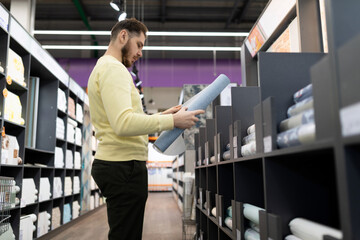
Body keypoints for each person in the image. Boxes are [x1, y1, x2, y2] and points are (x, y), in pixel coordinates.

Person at [87, 18, 204, 240]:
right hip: (123, 167)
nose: (140, 52)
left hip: (119, 165)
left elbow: (124, 120)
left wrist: (162, 115)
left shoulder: (104, 68)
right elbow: (123, 124)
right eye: (139, 44)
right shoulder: (114, 69)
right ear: (123, 36)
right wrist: (172, 122)